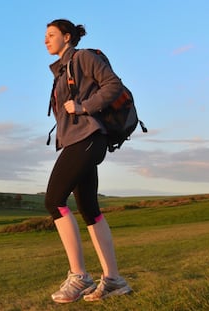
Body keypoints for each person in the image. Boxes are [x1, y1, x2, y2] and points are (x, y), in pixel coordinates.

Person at [44, 19, 133, 303]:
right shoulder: (61, 71)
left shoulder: (83, 58)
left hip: (89, 138)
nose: (45, 40)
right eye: (45, 36)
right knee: (89, 209)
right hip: (78, 141)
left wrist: (85, 107)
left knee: (54, 200)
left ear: (67, 37)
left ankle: (79, 276)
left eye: (51, 35)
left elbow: (113, 85)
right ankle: (114, 280)